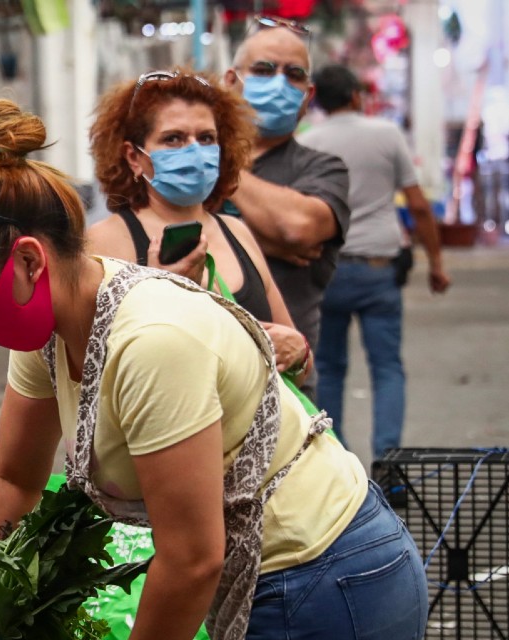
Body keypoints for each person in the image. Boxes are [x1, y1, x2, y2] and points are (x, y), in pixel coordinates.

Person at [0, 98, 426, 640]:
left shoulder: (151, 342)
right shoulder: (51, 330)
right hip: (259, 576)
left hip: (326, 579)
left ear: (29, 261)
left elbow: (192, 558)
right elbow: (11, 482)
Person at [87, 69, 313, 387]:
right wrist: (160, 297)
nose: (194, 152)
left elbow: (300, 369)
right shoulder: (107, 243)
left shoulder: (236, 232)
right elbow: (98, 373)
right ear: (134, 157)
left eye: (206, 138)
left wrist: (299, 351)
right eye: (173, 139)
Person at [298, 64, 452, 459]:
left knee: (329, 368)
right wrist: (436, 262)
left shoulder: (309, 142)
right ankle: (389, 463)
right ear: (355, 95)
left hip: (326, 270)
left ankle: (338, 462)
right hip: (377, 270)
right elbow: (417, 205)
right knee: (387, 368)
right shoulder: (386, 134)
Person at [224, 17, 351, 398]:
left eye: (293, 74)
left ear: (308, 96)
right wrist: (265, 240)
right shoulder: (190, 161)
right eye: (263, 69)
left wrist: (221, 171)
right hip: (200, 385)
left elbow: (297, 227)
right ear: (232, 81)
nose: (278, 82)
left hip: (285, 387)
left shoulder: (323, 169)